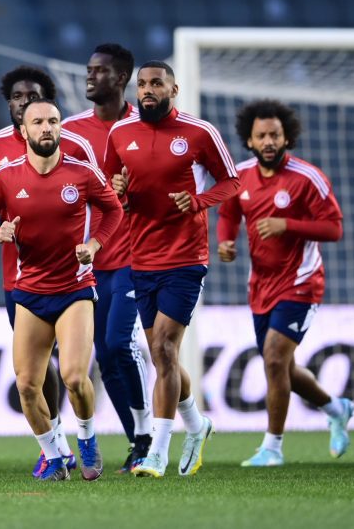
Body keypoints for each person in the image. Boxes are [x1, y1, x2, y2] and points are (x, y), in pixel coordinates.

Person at [0, 98, 123, 482]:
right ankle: (55, 456)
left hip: (74, 289)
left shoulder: (82, 172)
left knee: (73, 377)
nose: (46, 128)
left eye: (53, 121)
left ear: (60, 127)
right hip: (30, 293)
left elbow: (114, 210)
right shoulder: (6, 176)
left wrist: (95, 245)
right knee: (26, 385)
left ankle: (87, 438)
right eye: (37, 122)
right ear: (23, 130)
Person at [104, 60, 240, 477]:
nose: (148, 90)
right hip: (141, 258)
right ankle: (197, 425)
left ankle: (158, 452)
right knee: (163, 356)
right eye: (142, 84)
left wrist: (197, 201)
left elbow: (232, 181)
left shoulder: (199, 132)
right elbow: (109, 189)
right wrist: (118, 191)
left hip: (185, 258)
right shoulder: (120, 133)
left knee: (163, 348)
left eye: (156, 83)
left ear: (173, 89)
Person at [216, 100, 353, 467]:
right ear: (249, 140)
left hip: (301, 282)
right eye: (261, 136)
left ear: (287, 137)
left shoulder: (307, 177)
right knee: (281, 366)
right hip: (261, 285)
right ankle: (335, 408)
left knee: (275, 358)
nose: (268, 142)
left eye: (275, 135)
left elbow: (334, 229)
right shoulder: (240, 176)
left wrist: (287, 225)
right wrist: (226, 241)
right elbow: (228, 213)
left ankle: (272, 447)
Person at [62, 43, 152, 472]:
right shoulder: (70, 132)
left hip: (137, 255)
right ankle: (140, 440)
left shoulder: (146, 127)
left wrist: (135, 192)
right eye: (88, 69)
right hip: (90, 263)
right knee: (106, 354)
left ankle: (150, 434)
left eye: (99, 71)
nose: (89, 76)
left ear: (121, 78)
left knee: (120, 344)